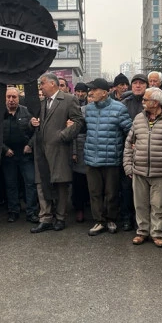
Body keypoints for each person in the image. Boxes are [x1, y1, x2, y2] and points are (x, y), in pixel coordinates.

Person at [123, 87, 162, 247]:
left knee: (158, 205)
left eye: (145, 99)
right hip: (139, 170)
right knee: (140, 204)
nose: (142, 102)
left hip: (161, 172)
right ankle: (142, 232)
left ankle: (157, 233)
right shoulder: (138, 118)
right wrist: (128, 165)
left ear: (155, 102)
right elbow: (129, 143)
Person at [30, 72, 84, 233]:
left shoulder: (69, 99)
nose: (41, 87)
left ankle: (60, 218)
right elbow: (35, 124)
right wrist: (31, 123)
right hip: (41, 150)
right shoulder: (41, 103)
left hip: (60, 150)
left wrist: (63, 135)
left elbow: (78, 121)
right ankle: (45, 218)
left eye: (42, 83)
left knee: (60, 184)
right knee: (41, 184)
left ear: (52, 84)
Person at [82, 78, 132, 236]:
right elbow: (83, 129)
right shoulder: (88, 109)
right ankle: (99, 221)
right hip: (91, 157)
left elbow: (129, 131)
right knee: (94, 192)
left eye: (94, 90)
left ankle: (111, 219)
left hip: (111, 159)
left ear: (104, 92)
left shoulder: (119, 108)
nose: (91, 93)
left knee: (111, 193)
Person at [2, 86, 38, 223]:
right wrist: (4, 149)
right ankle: (13, 211)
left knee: (30, 183)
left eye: (14, 97)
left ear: (19, 98)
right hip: (8, 155)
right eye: (8, 97)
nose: (11, 100)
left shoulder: (27, 112)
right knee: (11, 184)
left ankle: (31, 212)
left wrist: (30, 145)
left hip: (25, 153)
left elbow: (36, 131)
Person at [120, 73, 149, 231]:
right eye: (135, 83)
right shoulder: (124, 103)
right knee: (126, 187)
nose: (138, 86)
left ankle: (143, 220)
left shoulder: (151, 101)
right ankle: (127, 218)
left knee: (144, 189)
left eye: (141, 83)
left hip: (147, 150)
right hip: (128, 150)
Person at [71, 82, 90, 222]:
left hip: (93, 146)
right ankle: (79, 208)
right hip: (78, 145)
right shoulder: (74, 106)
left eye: (83, 91)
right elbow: (71, 131)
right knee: (78, 181)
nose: (80, 94)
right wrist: (73, 151)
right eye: (78, 91)